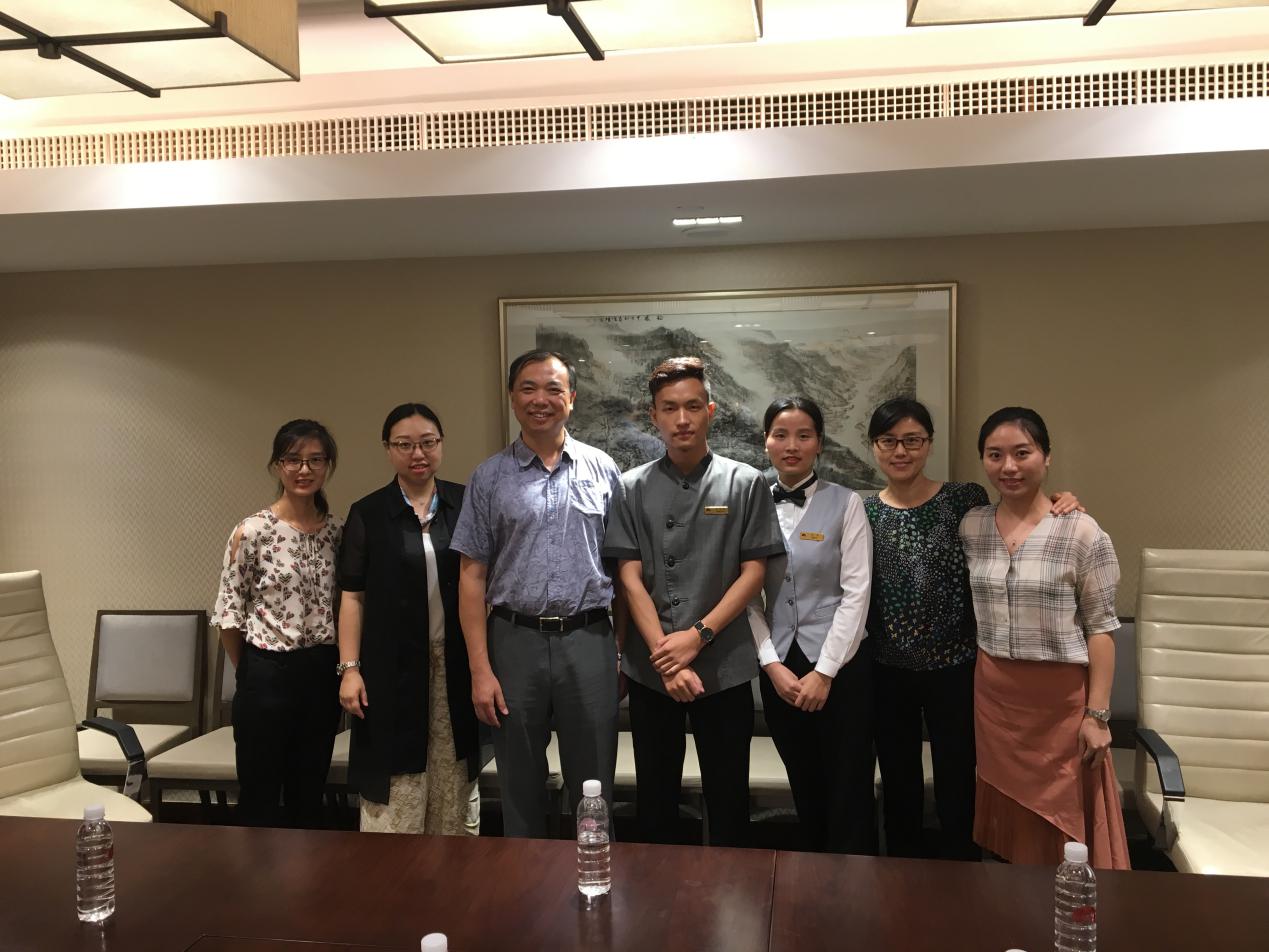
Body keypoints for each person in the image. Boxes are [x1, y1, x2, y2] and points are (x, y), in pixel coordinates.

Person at [865, 397, 1082, 861]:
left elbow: (1015, 514)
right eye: (889, 441)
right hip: (886, 669)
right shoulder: (863, 511)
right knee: (898, 778)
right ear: (874, 447)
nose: (901, 451)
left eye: (912, 440)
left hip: (957, 668)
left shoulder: (964, 499)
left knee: (958, 778)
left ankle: (962, 874)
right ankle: (900, 876)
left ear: (929, 444)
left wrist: (1060, 499)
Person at [603, 357, 785, 847]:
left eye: (692, 406)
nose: (681, 419)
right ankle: (657, 893)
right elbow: (628, 577)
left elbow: (754, 572)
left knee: (729, 800)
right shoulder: (630, 487)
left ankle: (732, 892)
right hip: (652, 669)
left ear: (710, 411)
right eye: (669, 408)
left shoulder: (745, 482)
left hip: (723, 665)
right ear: (653, 416)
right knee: (655, 802)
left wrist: (697, 636)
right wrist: (666, 656)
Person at [450, 350, 622, 838]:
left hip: (589, 638)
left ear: (572, 398)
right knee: (519, 781)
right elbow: (471, 577)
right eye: (528, 388)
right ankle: (523, 880)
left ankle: (594, 872)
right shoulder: (489, 477)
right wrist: (480, 670)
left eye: (553, 388)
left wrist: (620, 649)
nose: (540, 399)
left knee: (593, 781)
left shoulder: (603, 469)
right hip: (513, 641)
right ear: (512, 397)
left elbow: (623, 569)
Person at [960, 406, 1129, 869]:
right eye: (995, 455)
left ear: (1046, 456)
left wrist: (1097, 715)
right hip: (994, 696)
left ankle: (1067, 904)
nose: (1009, 466)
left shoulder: (1081, 531)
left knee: (1064, 814)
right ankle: (1010, 905)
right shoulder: (972, 525)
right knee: (1006, 814)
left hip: (1059, 703)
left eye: (1022, 453)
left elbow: (1101, 628)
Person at [336, 403, 484, 835]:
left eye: (427, 442)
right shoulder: (369, 513)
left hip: (454, 665)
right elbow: (352, 597)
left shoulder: (464, 503)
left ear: (441, 444)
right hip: (390, 669)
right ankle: (393, 871)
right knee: (397, 787)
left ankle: (454, 868)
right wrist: (350, 669)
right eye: (404, 444)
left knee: (453, 779)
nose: (417, 453)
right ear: (388, 449)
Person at [751, 396, 876, 853]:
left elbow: (857, 593)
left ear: (819, 443)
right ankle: (812, 879)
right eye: (781, 434)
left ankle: (856, 881)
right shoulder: (751, 504)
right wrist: (770, 664)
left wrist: (825, 672)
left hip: (841, 667)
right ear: (766, 441)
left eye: (804, 435)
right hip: (780, 668)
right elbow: (745, 595)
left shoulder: (847, 504)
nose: (792, 445)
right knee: (803, 782)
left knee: (849, 785)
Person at [211, 419, 342, 829]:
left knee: (310, 791)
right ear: (277, 465)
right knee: (260, 793)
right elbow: (229, 613)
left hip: (321, 671)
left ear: (328, 466)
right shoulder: (252, 531)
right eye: (293, 460)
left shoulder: (337, 533)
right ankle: (256, 872)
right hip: (265, 670)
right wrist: (252, 670)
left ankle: (310, 871)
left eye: (315, 460)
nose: (304, 470)